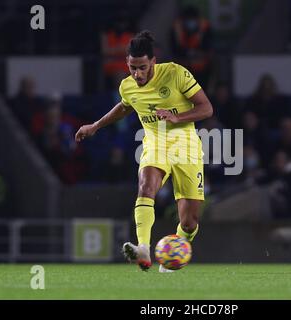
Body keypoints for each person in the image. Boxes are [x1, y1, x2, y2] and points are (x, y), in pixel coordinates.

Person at [75, 31, 213, 272]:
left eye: (142, 67)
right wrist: (95, 126)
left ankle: (172, 258)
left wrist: (176, 116)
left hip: (186, 145)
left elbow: (206, 108)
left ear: (153, 62)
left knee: (189, 223)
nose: (137, 74)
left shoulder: (175, 73)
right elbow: (124, 107)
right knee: (145, 187)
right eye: (132, 68)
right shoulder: (127, 86)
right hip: (154, 143)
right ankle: (143, 249)